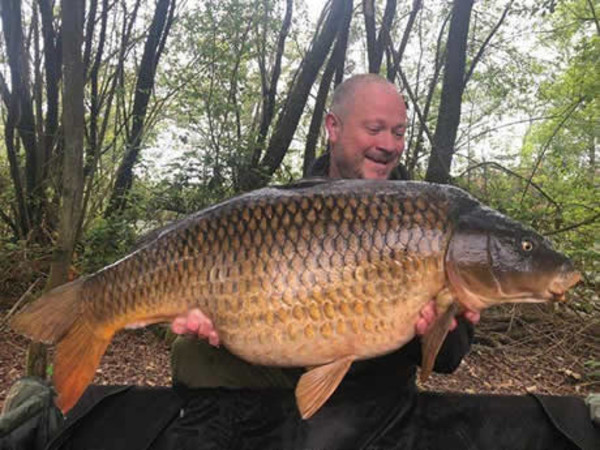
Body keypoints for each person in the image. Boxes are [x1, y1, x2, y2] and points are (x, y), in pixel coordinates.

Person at [169, 73, 480, 395]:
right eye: (374, 129)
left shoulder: (430, 224)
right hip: (286, 378)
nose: (388, 144)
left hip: (378, 396)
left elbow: (448, 361)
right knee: (192, 353)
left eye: (398, 132)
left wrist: (434, 331)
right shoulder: (285, 214)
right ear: (333, 128)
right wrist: (210, 318)